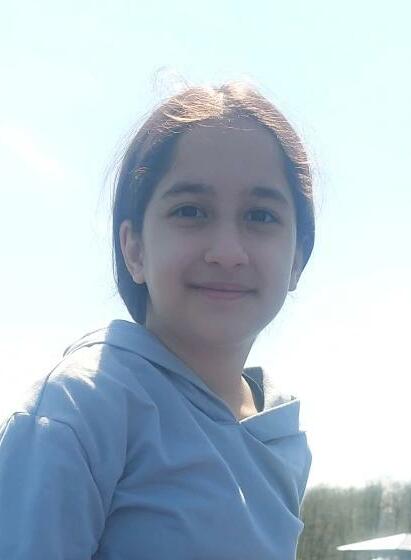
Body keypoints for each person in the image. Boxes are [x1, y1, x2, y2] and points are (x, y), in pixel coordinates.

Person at [0, 82, 315, 559]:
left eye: (261, 216)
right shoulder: (82, 409)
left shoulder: (281, 433)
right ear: (134, 248)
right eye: (191, 211)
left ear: (297, 259)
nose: (227, 252)